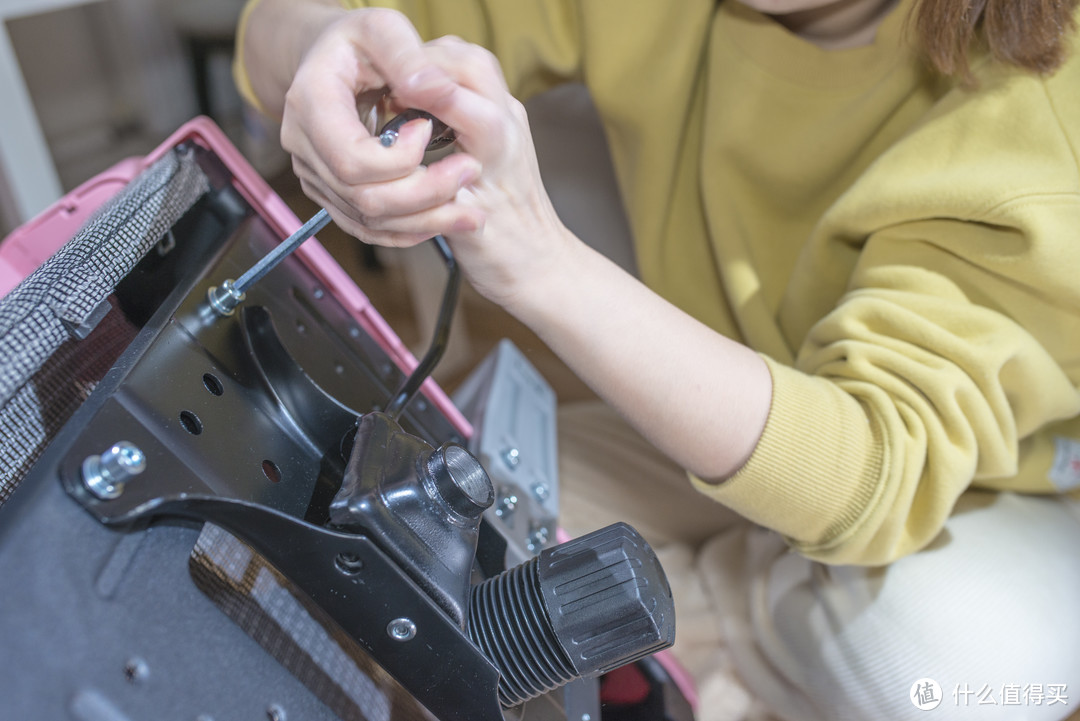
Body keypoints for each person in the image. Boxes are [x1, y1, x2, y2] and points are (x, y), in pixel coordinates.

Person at [235, 0, 1080, 718]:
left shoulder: (1044, 99)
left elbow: (872, 466)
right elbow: (289, 23)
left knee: (962, 677)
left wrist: (538, 258)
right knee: (418, 544)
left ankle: (705, 625)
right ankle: (707, 621)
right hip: (728, 387)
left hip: (984, 480)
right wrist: (329, 51)